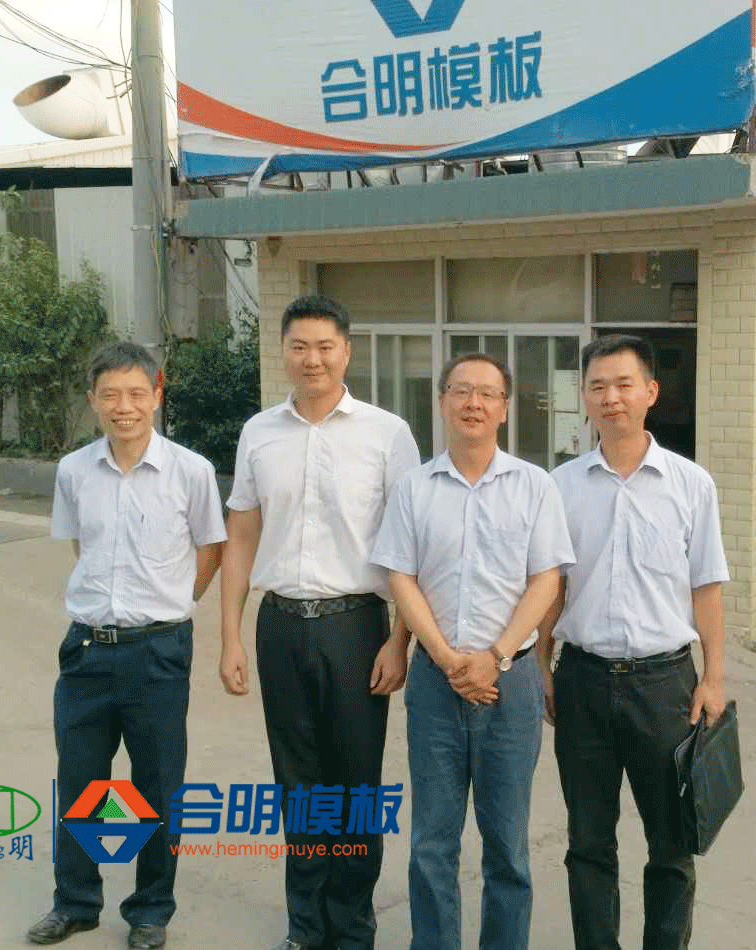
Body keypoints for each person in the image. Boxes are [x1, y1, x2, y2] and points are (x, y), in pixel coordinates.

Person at [219, 295, 421, 950]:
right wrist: (230, 636)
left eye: (324, 347)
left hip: (357, 627)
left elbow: (410, 544)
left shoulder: (387, 434)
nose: (312, 359)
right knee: (298, 784)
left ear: (346, 352)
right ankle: (305, 927)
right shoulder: (259, 432)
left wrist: (400, 639)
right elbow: (241, 534)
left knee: (356, 784)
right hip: (280, 626)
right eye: (299, 347)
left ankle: (352, 926)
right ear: (283, 352)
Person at [371, 353, 575, 950]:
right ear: (442, 402)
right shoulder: (415, 489)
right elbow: (401, 577)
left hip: (511, 683)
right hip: (436, 682)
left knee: (507, 844)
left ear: (505, 408)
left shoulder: (535, 486)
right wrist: (442, 655)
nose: (473, 403)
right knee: (432, 841)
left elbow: (547, 580)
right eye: (461, 391)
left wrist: (496, 657)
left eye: (487, 393)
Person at [28, 341, 226, 950]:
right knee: (80, 780)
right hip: (86, 650)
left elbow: (211, 547)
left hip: (158, 652)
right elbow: (80, 547)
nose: (125, 407)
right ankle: (76, 903)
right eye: (111, 394)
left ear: (157, 396)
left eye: (137, 394)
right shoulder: (73, 471)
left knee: (157, 785)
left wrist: (176, 603)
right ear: (93, 399)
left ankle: (150, 910)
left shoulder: (190, 471)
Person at [540, 334, 729, 950]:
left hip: (664, 685)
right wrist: (542, 665)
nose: (611, 398)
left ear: (651, 392)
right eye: (597, 386)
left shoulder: (691, 484)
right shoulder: (560, 486)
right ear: (584, 397)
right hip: (583, 680)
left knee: (671, 845)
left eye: (624, 385)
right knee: (588, 843)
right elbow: (551, 588)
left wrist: (713, 678)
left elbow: (706, 588)